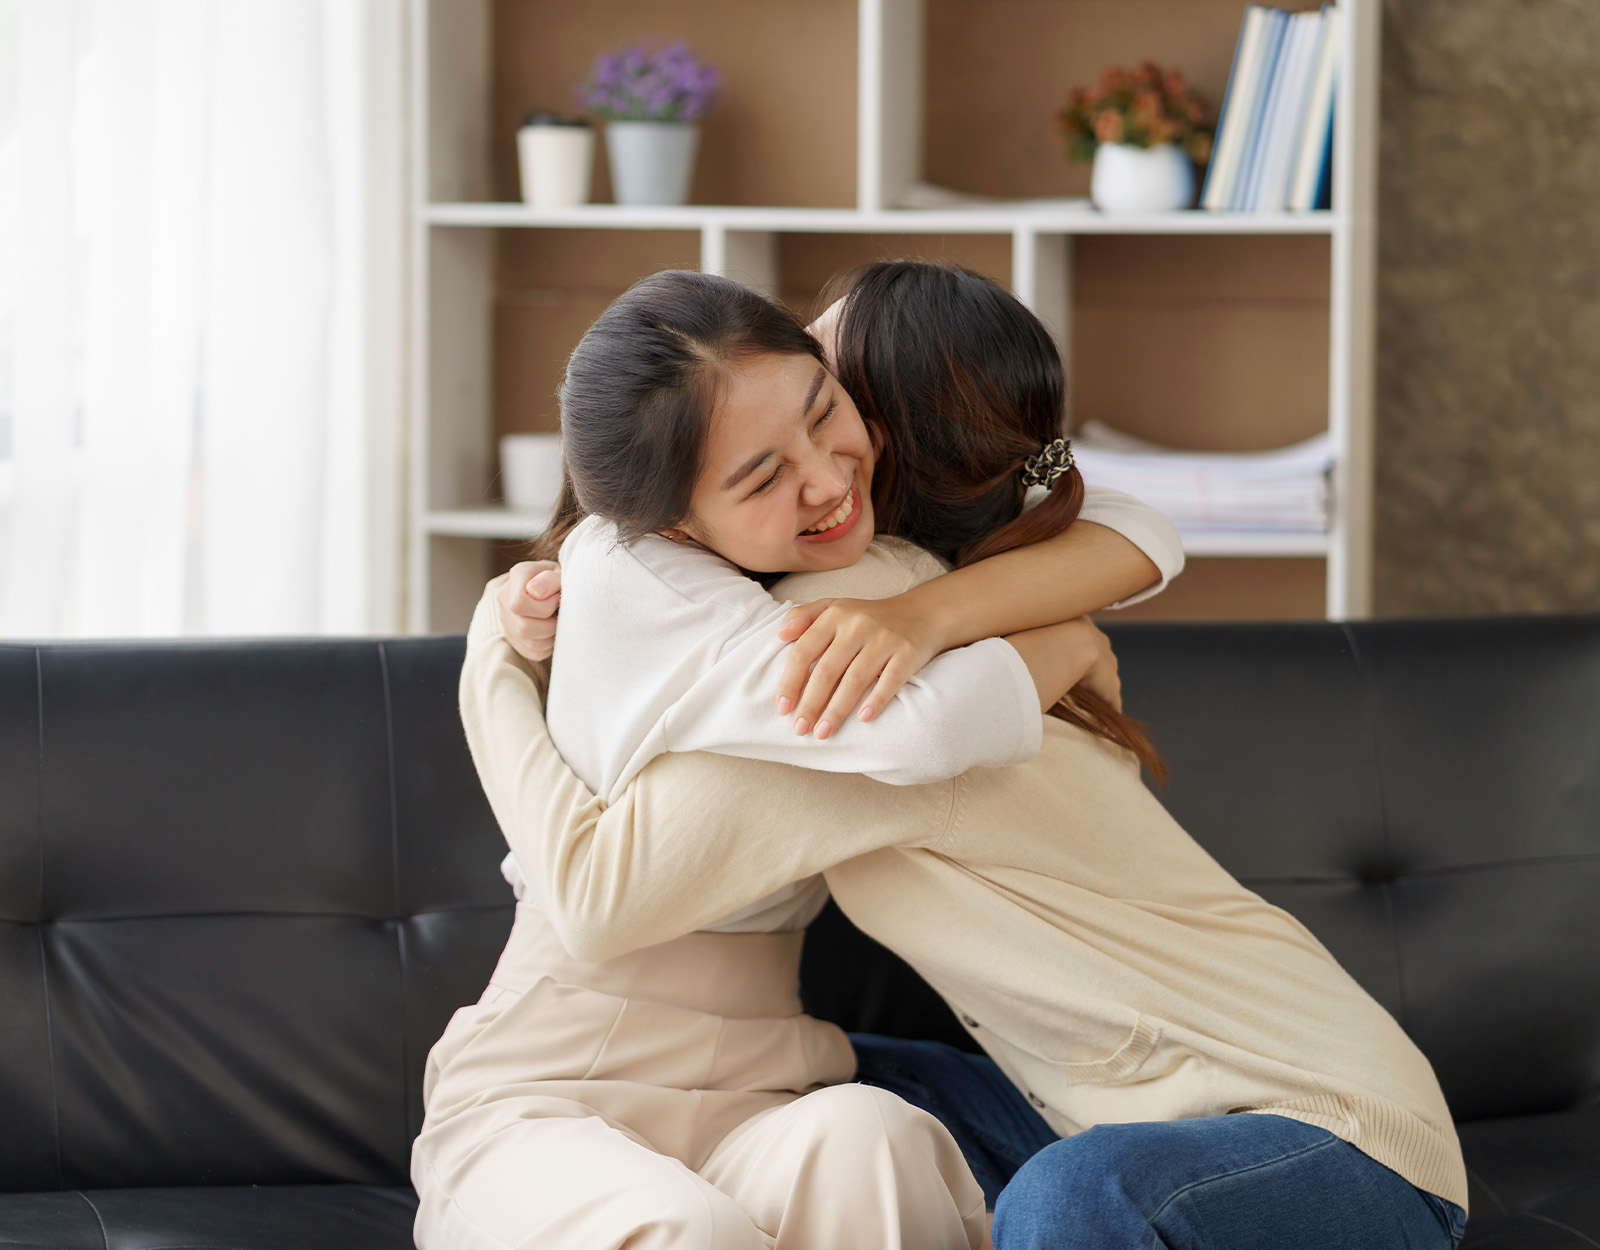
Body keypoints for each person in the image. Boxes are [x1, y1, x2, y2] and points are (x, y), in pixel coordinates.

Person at [478, 261, 1470, 1249]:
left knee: (1074, 1199)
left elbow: (603, 892)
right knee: (818, 1085)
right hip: (1108, 1101)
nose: (810, 454)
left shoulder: (835, 646)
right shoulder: (968, 588)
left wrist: (489, 653)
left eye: (818, 387)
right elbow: (1129, 528)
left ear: (884, 430)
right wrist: (1052, 635)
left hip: (1331, 1137)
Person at [411, 268, 1185, 1250]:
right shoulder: (659, 584)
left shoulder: (835, 566)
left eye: (824, 413)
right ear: (671, 521)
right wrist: (1064, 641)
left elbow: (1141, 528)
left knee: (880, 1140)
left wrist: (943, 603)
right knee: (686, 1227)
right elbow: (921, 730)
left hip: (758, 1087)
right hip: (554, 1093)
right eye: (761, 475)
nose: (824, 476)